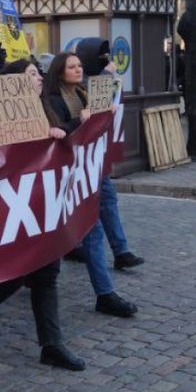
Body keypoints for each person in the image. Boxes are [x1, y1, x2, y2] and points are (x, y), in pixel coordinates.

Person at [0, 58, 84, 371]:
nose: (38, 79)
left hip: (43, 204)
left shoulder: (47, 110)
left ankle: (51, 345)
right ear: (13, 83)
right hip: (14, 208)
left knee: (47, 275)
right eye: (31, 74)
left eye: (38, 74)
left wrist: (69, 129)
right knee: (13, 277)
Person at [42, 51, 138, 318]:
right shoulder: (53, 100)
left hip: (91, 167)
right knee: (90, 231)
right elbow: (59, 131)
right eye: (71, 67)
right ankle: (104, 294)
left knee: (102, 213)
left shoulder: (83, 92)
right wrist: (81, 120)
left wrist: (105, 114)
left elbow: (93, 122)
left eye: (80, 65)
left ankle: (112, 273)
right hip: (71, 174)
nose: (78, 70)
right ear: (59, 72)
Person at [68, 38, 145, 271]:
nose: (77, 69)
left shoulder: (96, 77)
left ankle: (121, 251)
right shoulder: (75, 85)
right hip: (77, 160)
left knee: (108, 201)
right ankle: (75, 247)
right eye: (72, 66)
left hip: (95, 157)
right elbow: (91, 96)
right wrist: (106, 76)